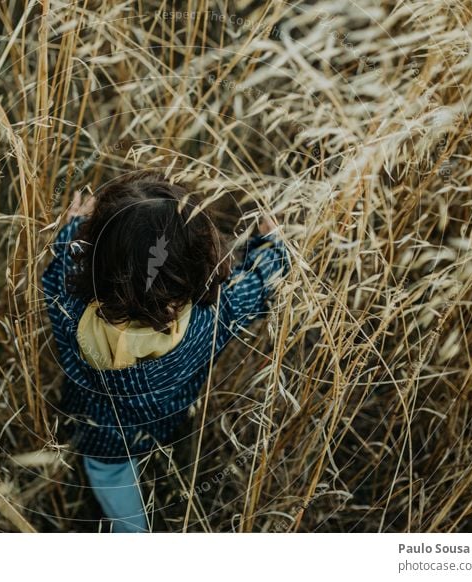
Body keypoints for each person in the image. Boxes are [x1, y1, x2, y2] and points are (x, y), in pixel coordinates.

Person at [41, 171, 290, 532]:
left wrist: (71, 232)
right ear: (198, 264)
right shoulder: (213, 317)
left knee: (115, 489)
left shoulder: (72, 308)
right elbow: (260, 283)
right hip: (168, 419)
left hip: (102, 442)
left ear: (97, 258)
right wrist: (272, 246)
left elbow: (59, 270)